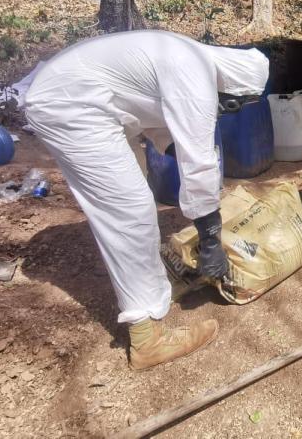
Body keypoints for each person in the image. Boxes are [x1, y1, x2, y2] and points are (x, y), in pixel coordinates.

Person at [24, 31, 269, 370]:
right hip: (70, 105)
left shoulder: (189, 58)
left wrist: (197, 174)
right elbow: (197, 158)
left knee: (133, 196)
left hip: (87, 99)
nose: (232, 110)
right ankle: (146, 341)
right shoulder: (194, 71)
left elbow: (160, 123)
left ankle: (150, 284)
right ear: (231, 87)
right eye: (235, 103)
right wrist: (210, 237)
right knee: (131, 211)